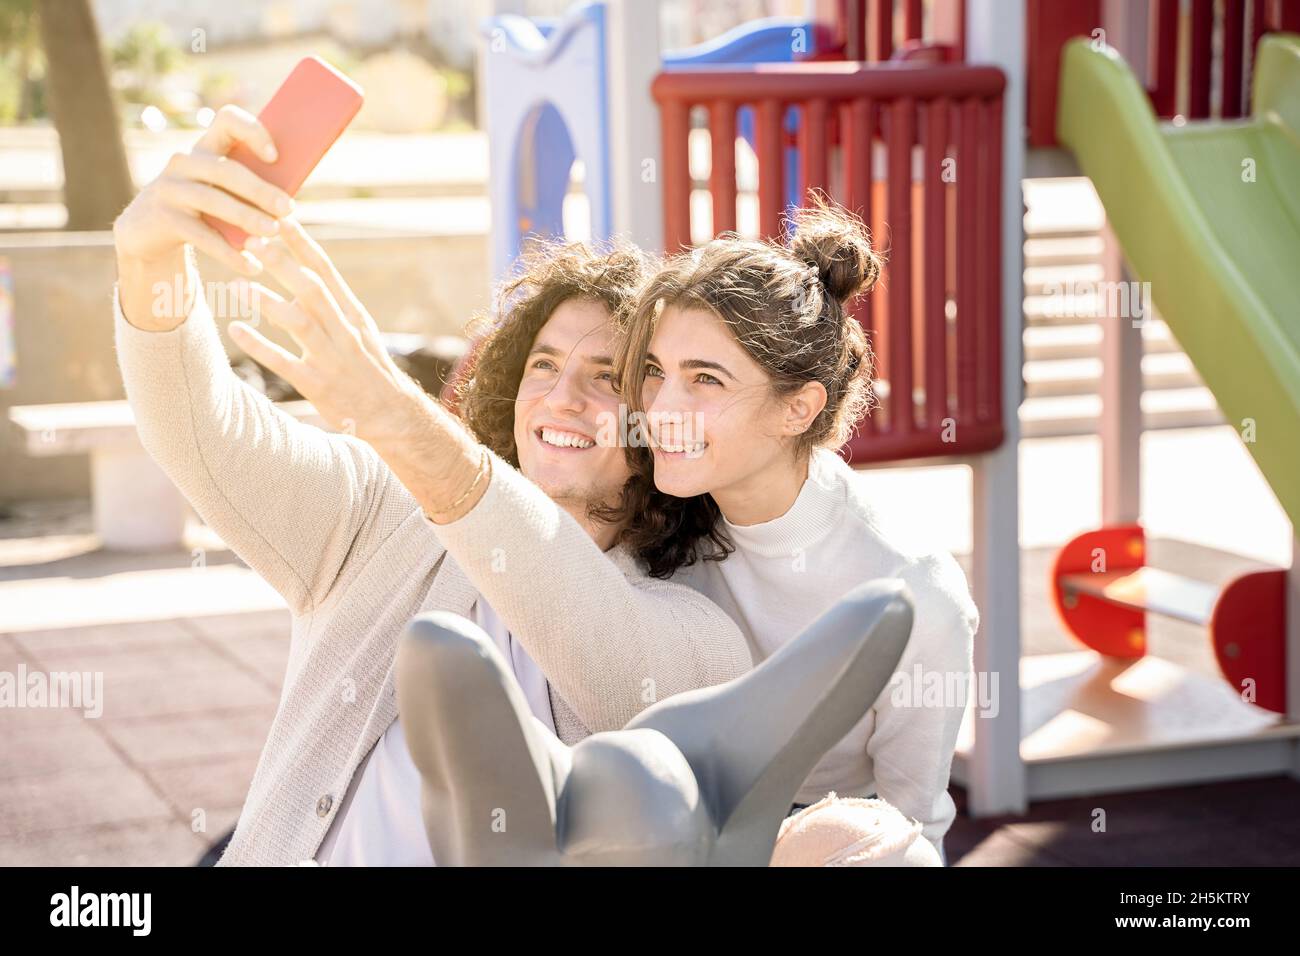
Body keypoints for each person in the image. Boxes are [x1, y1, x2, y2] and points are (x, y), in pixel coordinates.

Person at [110, 105, 752, 866]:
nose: (560, 397)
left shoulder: (699, 637)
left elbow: (602, 648)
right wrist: (148, 266)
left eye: (606, 377)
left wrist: (389, 408)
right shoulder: (384, 521)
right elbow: (200, 433)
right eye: (543, 365)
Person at [612, 196, 980, 865]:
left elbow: (908, 830)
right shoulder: (649, 510)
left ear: (798, 408)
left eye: (705, 380)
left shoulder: (914, 589)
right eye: (656, 373)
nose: (662, 408)